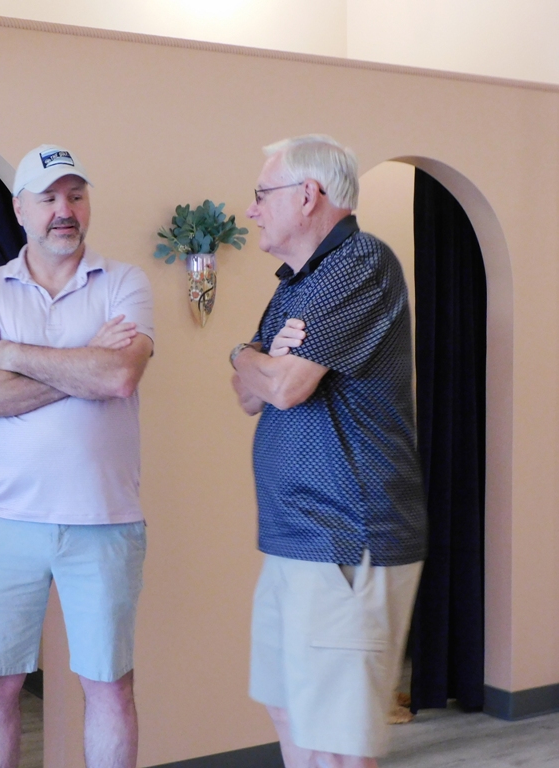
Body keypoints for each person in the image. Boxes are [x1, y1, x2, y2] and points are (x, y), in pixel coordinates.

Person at [0, 145, 154, 768]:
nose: (65, 210)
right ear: (20, 209)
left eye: (76, 195)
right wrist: (83, 362)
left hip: (105, 521)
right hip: (4, 521)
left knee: (109, 687)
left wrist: (11, 354)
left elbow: (119, 376)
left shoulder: (126, 282)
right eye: (49, 197)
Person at [229, 135, 428, 768]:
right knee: (290, 712)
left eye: (263, 194)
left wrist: (256, 358)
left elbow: (284, 388)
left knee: (336, 745)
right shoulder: (296, 282)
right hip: (294, 538)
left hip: (346, 536)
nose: (253, 209)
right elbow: (247, 393)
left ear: (308, 195)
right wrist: (250, 355)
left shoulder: (360, 262)